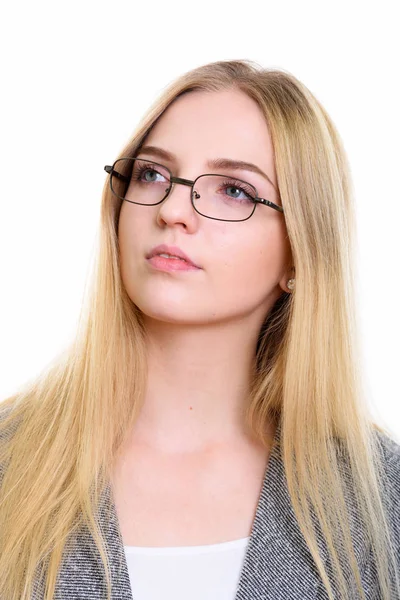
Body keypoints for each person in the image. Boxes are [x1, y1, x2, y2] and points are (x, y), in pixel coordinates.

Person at [0, 59, 399, 600]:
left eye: (234, 190)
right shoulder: (11, 460)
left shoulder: (381, 498)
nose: (172, 210)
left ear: (300, 254)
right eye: (152, 174)